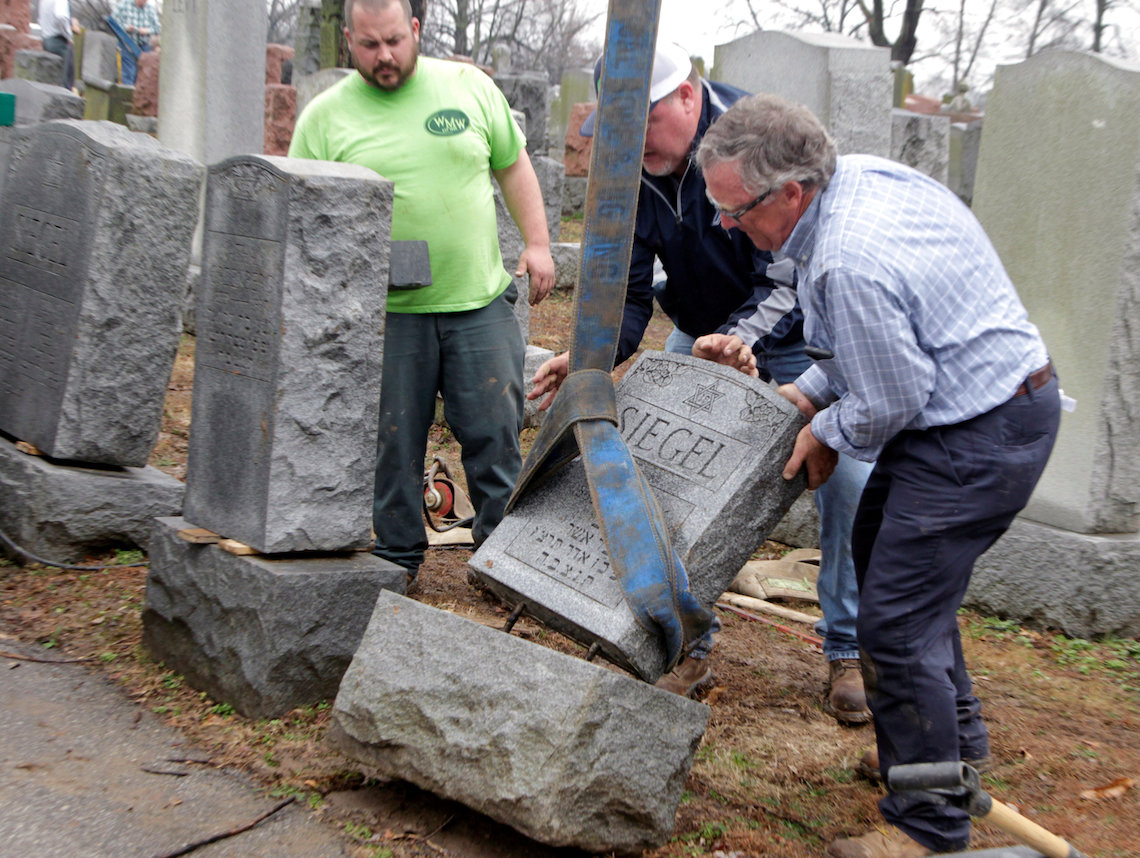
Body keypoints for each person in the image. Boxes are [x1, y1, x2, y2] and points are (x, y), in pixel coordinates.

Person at [695, 94, 1060, 858]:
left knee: (892, 620)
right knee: (886, 559)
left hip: (980, 430)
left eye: (737, 211)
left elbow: (894, 394)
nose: (728, 227)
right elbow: (881, 347)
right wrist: (806, 395)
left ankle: (928, 831)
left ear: (791, 191)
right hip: (979, 404)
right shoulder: (855, 182)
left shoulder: (846, 260)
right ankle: (947, 758)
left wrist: (823, 428)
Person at [529, 41, 874, 724]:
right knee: (672, 475)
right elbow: (628, 286)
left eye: (646, 121)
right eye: (620, 125)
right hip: (702, 331)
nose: (632, 141)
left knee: (852, 485)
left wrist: (743, 338)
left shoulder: (754, 138)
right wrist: (594, 355)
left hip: (805, 338)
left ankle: (849, 649)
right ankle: (687, 644)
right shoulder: (631, 163)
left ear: (687, 97)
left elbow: (788, 273)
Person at [289, 0, 554, 581]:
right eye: (368, 45)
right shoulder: (324, 118)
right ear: (348, 43)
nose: (384, 56)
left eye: (393, 41)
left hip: (478, 302)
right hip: (386, 315)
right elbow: (304, 216)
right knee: (394, 442)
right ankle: (398, 558)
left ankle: (499, 559)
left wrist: (537, 243)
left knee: (495, 435)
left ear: (414, 31)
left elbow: (512, 164)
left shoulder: (468, 88)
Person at [38, 0, 79, 91]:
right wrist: (69, 36)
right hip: (59, 42)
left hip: (47, 40)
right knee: (64, 85)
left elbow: (40, 19)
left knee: (49, 81)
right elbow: (61, 17)